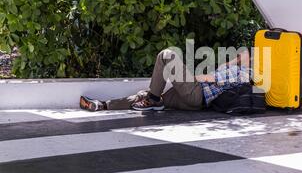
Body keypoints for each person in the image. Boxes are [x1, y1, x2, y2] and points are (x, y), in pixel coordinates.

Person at [80, 48, 251, 112]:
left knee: (167, 55)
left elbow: (209, 77)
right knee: (147, 95)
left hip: (196, 94)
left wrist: (185, 78)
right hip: (196, 103)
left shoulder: (241, 73)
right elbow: (242, 56)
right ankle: (102, 105)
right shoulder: (237, 71)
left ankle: (153, 99)